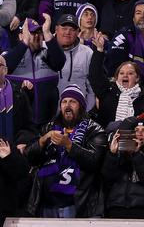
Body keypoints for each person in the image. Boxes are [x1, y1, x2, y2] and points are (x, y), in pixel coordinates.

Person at [25, 85, 108, 217]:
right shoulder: (49, 127)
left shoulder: (95, 130)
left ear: (81, 106)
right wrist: (43, 140)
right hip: (47, 203)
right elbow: (29, 157)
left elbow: (94, 162)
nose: (67, 105)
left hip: (77, 204)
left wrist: (69, 145)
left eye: (73, 101)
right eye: (64, 101)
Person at [5, 15, 66, 126]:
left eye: (39, 32)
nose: (37, 36)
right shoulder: (12, 55)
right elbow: (6, 66)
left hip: (48, 122)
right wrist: (24, 43)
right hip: (21, 124)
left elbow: (59, 62)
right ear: (21, 36)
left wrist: (47, 34)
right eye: (32, 33)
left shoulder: (47, 53)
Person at [102, 116, 144, 218]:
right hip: (117, 208)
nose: (139, 133)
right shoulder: (120, 153)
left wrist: (136, 154)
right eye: (136, 130)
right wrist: (112, 154)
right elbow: (107, 177)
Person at [90, 34, 144, 129]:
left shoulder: (143, 99)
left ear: (137, 78)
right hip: (108, 139)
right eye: (121, 73)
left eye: (130, 73)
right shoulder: (107, 92)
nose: (125, 75)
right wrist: (99, 51)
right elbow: (95, 75)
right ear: (117, 77)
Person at [56, 14, 96, 110]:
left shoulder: (87, 52)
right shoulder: (44, 48)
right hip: (47, 112)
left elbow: (91, 87)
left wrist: (86, 110)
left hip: (76, 114)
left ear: (78, 32)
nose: (68, 32)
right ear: (56, 29)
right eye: (64, 28)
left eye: (72, 29)